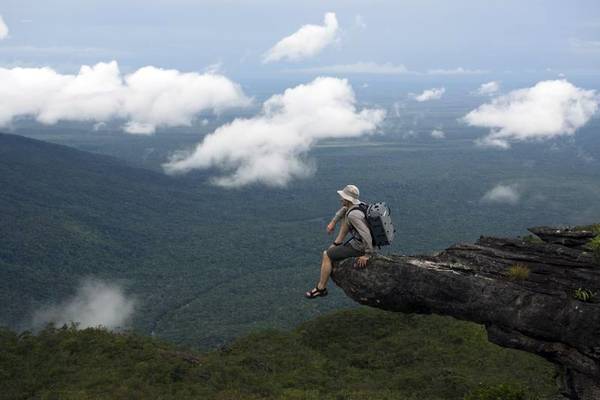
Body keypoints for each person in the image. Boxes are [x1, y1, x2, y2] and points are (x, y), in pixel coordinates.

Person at [305, 184, 374, 299]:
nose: (340, 198)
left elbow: (365, 234)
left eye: (342, 197)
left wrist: (367, 254)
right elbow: (344, 210)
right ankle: (338, 243)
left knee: (327, 254)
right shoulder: (360, 205)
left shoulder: (353, 215)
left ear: (347, 199)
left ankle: (320, 288)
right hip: (360, 242)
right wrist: (333, 222)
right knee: (346, 216)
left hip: (360, 247)